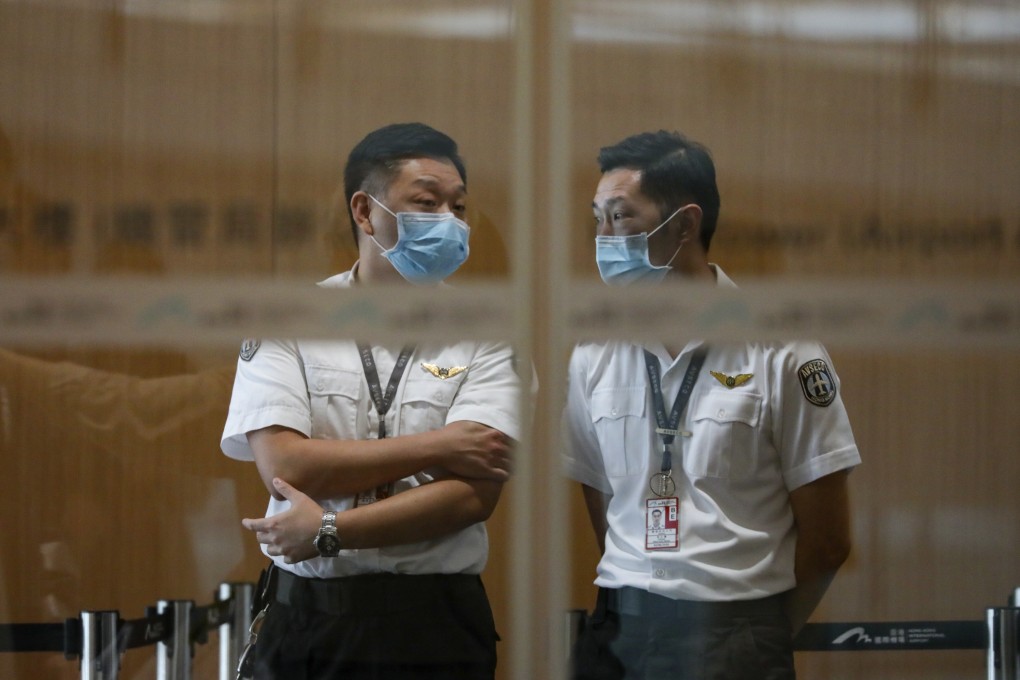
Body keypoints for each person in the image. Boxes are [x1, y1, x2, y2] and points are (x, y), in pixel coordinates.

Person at [221, 122, 525, 680]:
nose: (451, 223)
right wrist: (442, 445)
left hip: (435, 622)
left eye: (458, 208)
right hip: (308, 622)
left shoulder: (490, 329)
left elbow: (473, 495)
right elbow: (286, 466)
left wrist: (329, 530)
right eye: (427, 203)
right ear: (365, 212)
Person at [563, 130, 861, 680]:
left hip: (737, 631)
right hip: (618, 631)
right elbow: (601, 502)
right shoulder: (594, 350)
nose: (603, 238)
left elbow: (828, 541)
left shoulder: (782, 348)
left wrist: (758, 631)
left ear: (683, 225)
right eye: (597, 219)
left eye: (621, 218)